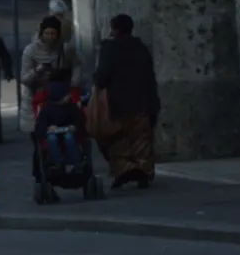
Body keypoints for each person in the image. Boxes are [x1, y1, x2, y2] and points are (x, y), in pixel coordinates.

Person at [93, 14, 160, 189]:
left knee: (117, 140)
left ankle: (123, 170)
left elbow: (101, 77)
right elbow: (150, 77)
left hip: (118, 103)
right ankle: (143, 172)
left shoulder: (109, 49)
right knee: (141, 140)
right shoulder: (141, 48)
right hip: (142, 102)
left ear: (115, 29)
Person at [20, 16, 82, 178]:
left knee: (69, 136)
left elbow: (76, 65)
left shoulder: (66, 49)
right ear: (41, 33)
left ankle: (72, 163)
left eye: (53, 33)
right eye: (47, 33)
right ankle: (43, 177)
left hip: (62, 95)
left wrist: (74, 84)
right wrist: (38, 70)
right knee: (40, 142)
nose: (50, 37)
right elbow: (25, 79)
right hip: (37, 100)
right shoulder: (31, 51)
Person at [34, 80, 85, 173]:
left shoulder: (72, 107)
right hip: (53, 134)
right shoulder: (46, 109)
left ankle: (74, 162)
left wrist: (74, 127)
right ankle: (58, 163)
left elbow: (80, 121)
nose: (69, 96)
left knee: (68, 137)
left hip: (69, 132)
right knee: (51, 138)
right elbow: (39, 128)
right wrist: (48, 128)